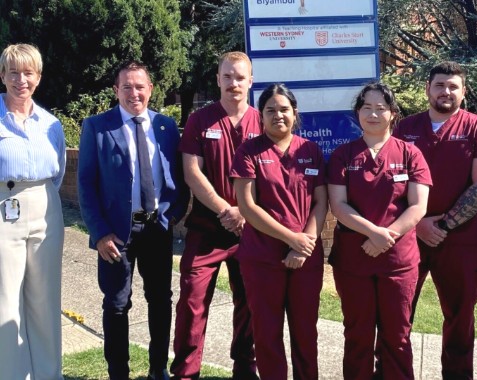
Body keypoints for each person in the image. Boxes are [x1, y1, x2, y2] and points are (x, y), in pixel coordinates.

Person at [78, 60, 189, 380]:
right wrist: (99, 233)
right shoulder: (97, 127)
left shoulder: (166, 127)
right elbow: (85, 183)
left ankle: (158, 370)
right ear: (116, 90)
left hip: (157, 228)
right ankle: (118, 373)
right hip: (115, 234)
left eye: (140, 86)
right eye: (126, 86)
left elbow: (180, 178)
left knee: (160, 300)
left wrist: (172, 216)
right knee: (116, 304)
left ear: (151, 89)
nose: (134, 93)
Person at [392, 61, 477, 379]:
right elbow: (391, 181)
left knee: (460, 314)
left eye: (453, 86)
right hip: (409, 236)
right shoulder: (405, 128)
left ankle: (457, 374)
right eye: (440, 85)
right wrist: (419, 223)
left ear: (463, 92)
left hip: (461, 241)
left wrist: (441, 225)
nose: (446, 91)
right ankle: (391, 371)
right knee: (397, 311)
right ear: (428, 88)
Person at [328, 82, 432, 379]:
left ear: (393, 114)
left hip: (398, 262)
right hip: (354, 260)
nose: (373, 114)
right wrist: (373, 232)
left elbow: (417, 206)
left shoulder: (411, 154)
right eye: (366, 108)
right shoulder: (343, 155)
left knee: (397, 336)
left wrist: (386, 237)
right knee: (357, 334)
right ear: (357, 113)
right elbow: (339, 205)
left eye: (380, 108)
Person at [171, 51, 259, 380]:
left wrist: (245, 214)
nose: (233, 83)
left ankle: (244, 369)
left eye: (240, 77)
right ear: (218, 79)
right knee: (192, 304)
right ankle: (185, 372)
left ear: (250, 81)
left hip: (250, 231)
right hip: (207, 229)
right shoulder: (200, 120)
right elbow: (192, 172)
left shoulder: (262, 121)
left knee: (250, 303)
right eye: (227, 76)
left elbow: (270, 177)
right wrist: (226, 210)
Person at [231, 83, 328, 379]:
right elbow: (247, 207)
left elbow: (321, 202)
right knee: (267, 332)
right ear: (260, 115)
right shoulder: (249, 151)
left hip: (305, 259)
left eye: (284, 109)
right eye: (270, 110)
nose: (278, 116)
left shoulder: (310, 150)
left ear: (295, 114)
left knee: (305, 331)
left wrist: (303, 244)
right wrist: (292, 239)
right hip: (262, 258)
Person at [0, 43, 66, 380]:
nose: (20, 80)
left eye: (28, 72)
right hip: (3, 210)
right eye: (13, 72)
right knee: (5, 297)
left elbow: (58, 173)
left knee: (44, 297)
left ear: (38, 78)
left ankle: (48, 373)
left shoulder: (51, 124)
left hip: (44, 207)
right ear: (3, 76)